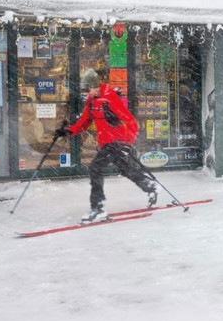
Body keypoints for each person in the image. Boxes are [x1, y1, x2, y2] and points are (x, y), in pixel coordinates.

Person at [54, 69, 159, 223]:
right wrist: (68, 132)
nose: (88, 93)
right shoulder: (91, 101)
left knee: (95, 168)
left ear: (95, 86)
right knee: (125, 169)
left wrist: (126, 144)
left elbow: (131, 122)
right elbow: (85, 121)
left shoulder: (110, 98)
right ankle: (149, 185)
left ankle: (98, 207)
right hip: (106, 142)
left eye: (88, 89)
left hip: (117, 142)